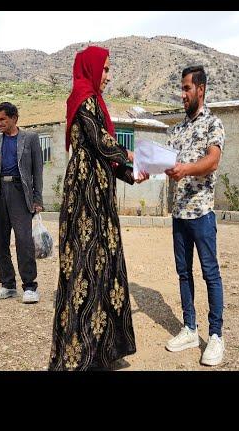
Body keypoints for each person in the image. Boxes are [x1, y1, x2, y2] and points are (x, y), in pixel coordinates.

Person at [48, 46, 149, 371]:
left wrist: (132, 174)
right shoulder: (82, 96)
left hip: (99, 194)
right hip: (85, 199)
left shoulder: (94, 100)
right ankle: (80, 354)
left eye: (108, 69)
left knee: (104, 266)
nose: (107, 75)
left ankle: (103, 348)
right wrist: (130, 155)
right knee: (84, 266)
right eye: (104, 69)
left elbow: (104, 149)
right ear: (91, 68)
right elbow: (100, 140)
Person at [164, 65, 226, 366]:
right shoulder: (176, 129)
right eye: (182, 88)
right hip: (179, 214)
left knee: (210, 273)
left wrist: (185, 169)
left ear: (200, 89)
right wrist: (131, 160)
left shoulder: (213, 123)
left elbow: (213, 161)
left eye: (187, 88)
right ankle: (190, 328)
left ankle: (216, 336)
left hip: (201, 213)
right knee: (184, 273)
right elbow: (162, 161)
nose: (183, 93)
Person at [0, 102, 44, 304]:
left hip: (20, 192)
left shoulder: (31, 139)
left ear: (14, 118)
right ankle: (8, 285)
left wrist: (37, 199)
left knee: (24, 241)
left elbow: (37, 171)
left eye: (2, 119)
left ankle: (30, 287)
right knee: (1, 242)